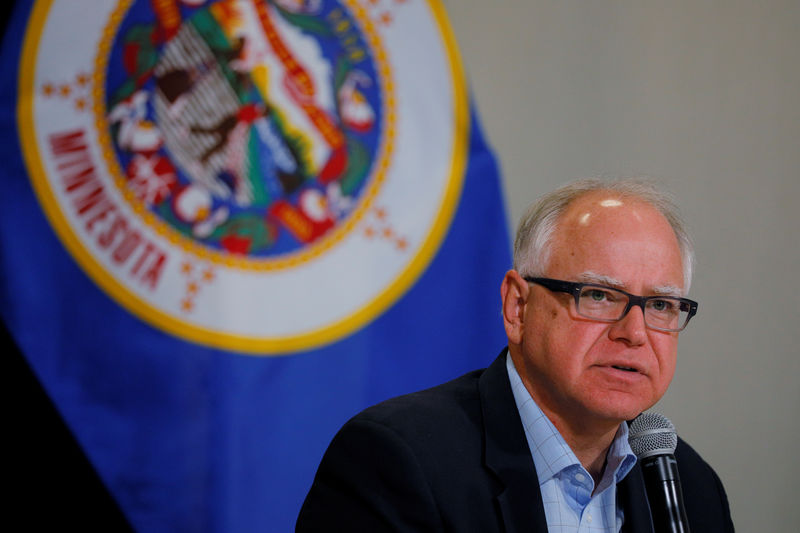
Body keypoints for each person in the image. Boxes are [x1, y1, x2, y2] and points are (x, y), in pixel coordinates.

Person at [297, 179, 735, 532]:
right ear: (517, 308)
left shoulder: (692, 489)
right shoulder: (397, 462)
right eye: (599, 295)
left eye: (660, 305)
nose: (634, 333)